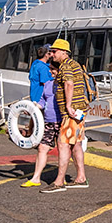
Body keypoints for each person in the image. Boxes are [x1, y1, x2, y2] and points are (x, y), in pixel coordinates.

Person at [41, 39, 89, 193]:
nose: (51, 54)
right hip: (79, 110)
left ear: (63, 52)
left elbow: (69, 84)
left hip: (72, 112)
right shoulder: (74, 64)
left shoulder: (66, 66)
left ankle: (59, 181)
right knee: (76, 144)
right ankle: (81, 178)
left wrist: (68, 106)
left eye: (54, 51)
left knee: (63, 144)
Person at [21, 45, 54, 188]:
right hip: (42, 99)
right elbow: (46, 82)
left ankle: (30, 134)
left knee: (34, 120)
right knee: (39, 122)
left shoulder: (35, 64)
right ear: (47, 55)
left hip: (35, 96)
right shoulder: (44, 69)